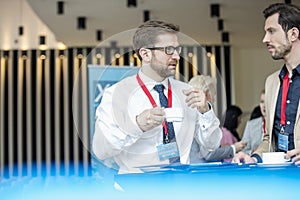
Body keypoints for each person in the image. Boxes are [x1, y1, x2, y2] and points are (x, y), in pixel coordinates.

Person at [92, 20, 222, 173]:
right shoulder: (117, 94)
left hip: (181, 187)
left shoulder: (187, 92)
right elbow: (100, 150)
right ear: (145, 54)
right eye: (168, 50)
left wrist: (206, 112)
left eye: (177, 49)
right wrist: (136, 125)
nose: (177, 56)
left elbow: (212, 144)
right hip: (137, 190)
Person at [233, 3, 300, 165]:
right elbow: (269, 139)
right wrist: (253, 158)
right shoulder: (271, 82)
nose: (265, 39)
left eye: (271, 31)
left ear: (293, 34)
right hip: (280, 178)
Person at [188, 76, 246, 163]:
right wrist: (233, 148)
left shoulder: (189, 114)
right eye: (214, 95)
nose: (214, 100)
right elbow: (208, 154)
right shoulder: (200, 117)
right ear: (206, 94)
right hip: (203, 172)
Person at [241, 89, 266, 155]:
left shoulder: (280, 124)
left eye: (267, 102)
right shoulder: (251, 125)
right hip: (254, 162)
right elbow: (243, 150)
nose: (264, 105)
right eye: (262, 102)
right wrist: (252, 152)